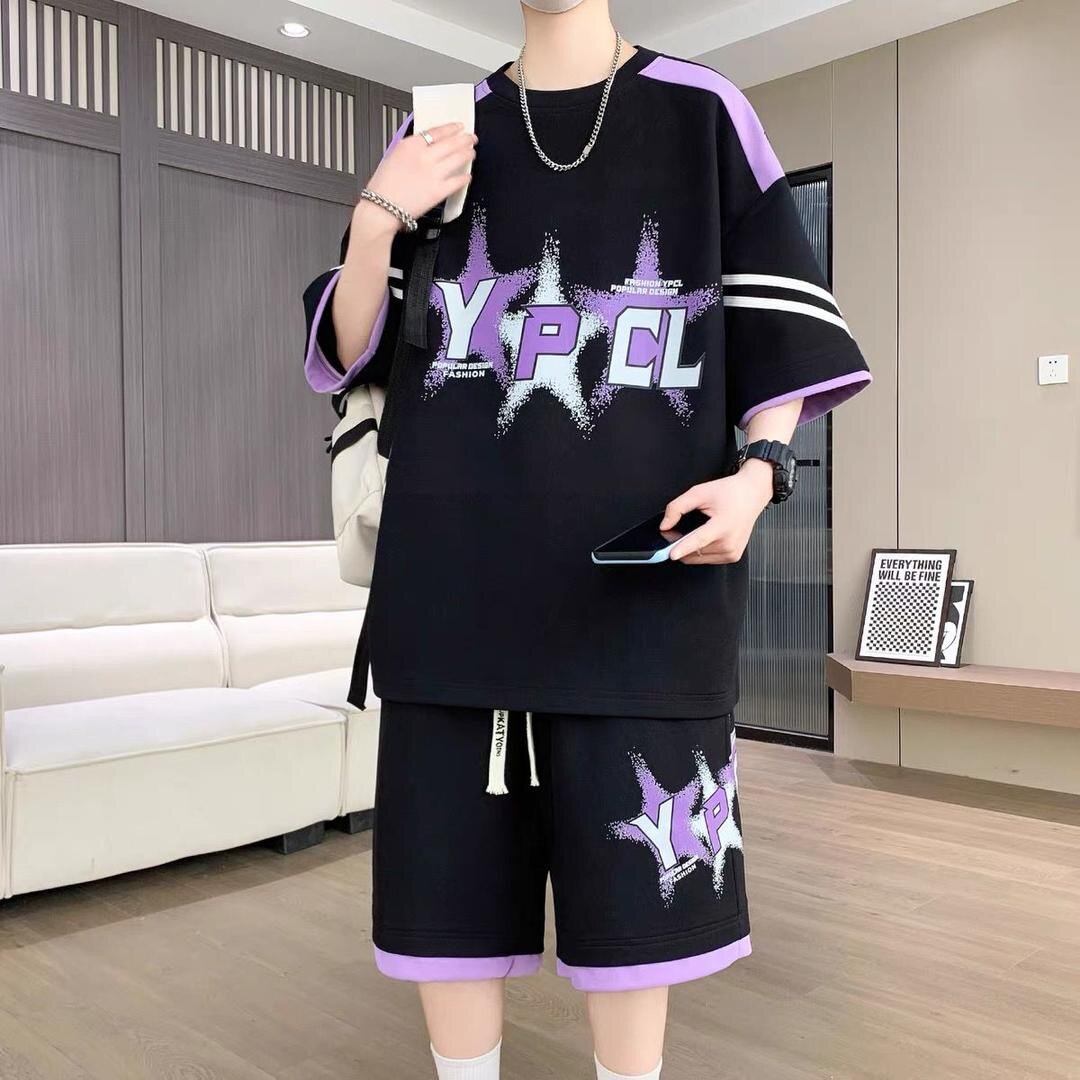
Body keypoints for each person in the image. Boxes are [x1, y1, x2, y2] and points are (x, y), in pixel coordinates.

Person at [302, 1, 873, 1076]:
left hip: (643, 599)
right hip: (455, 594)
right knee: (446, 914)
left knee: (637, 927)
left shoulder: (703, 113)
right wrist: (377, 219)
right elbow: (354, 349)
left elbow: (779, 329)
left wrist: (760, 476)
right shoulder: (442, 127)